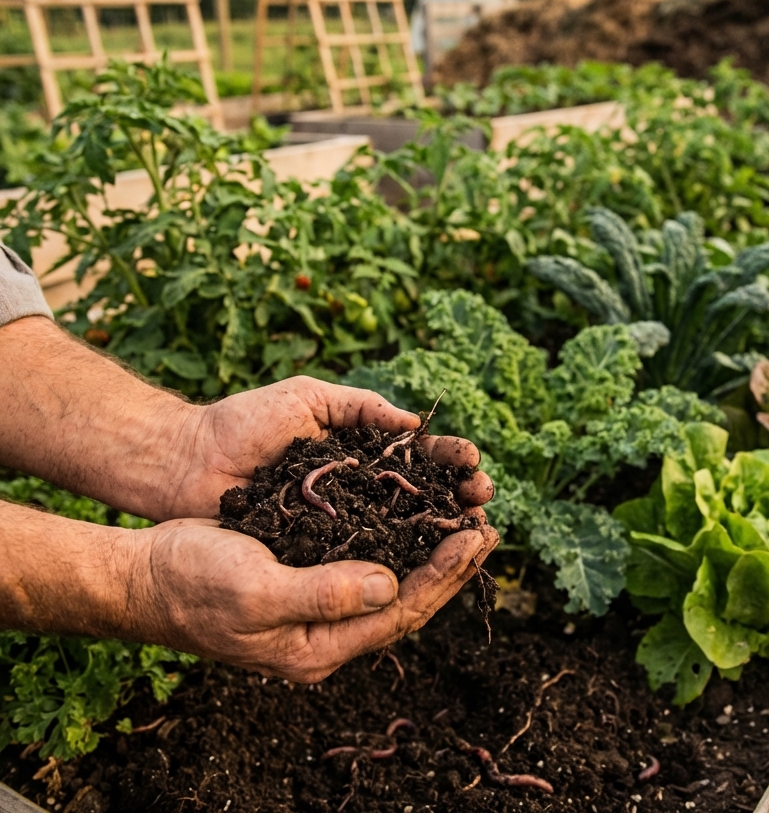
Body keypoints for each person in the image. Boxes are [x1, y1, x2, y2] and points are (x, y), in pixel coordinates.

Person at [0, 242, 498, 682]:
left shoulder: (329, 472)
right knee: (336, 495)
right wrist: (140, 580)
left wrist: (182, 443)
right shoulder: (297, 491)